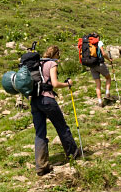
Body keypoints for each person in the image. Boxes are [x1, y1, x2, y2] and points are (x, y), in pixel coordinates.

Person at [31, 45, 81, 176]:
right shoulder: (51, 63)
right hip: (47, 99)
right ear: (56, 54)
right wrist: (68, 84)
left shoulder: (36, 63)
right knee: (61, 127)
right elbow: (55, 84)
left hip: (35, 100)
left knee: (40, 133)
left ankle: (41, 167)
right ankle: (73, 155)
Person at [86, 33, 113, 107]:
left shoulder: (88, 43)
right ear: (97, 37)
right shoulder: (99, 42)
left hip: (91, 65)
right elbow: (103, 53)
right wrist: (109, 60)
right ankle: (107, 93)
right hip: (100, 63)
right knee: (108, 78)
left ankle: (100, 102)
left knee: (98, 84)